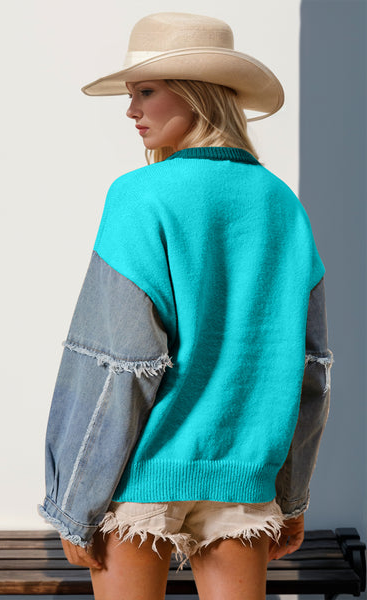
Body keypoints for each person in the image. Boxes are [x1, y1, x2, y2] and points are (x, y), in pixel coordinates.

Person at [38, 12, 334, 600]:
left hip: (140, 477)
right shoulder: (281, 203)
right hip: (242, 474)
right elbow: (310, 367)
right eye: (130, 94)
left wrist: (75, 499)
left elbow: (116, 362)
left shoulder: (139, 195)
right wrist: (292, 495)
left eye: (145, 91)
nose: (131, 111)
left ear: (199, 92)